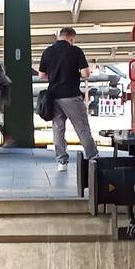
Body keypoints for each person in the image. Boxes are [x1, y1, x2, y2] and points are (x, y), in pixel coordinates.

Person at [39, 27, 99, 173]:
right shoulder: (75, 51)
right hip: (71, 96)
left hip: (54, 97)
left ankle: (62, 162)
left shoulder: (48, 51)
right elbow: (85, 74)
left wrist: (54, 76)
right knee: (82, 128)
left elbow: (41, 75)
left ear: (60, 36)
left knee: (58, 130)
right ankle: (93, 158)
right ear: (71, 38)